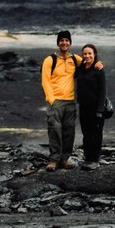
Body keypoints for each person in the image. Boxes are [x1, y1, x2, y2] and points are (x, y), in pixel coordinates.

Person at [41, 30, 80, 169]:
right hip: (55, 101)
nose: (64, 43)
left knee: (69, 131)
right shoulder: (50, 60)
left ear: (70, 43)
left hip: (70, 101)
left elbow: (89, 64)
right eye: (62, 40)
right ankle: (53, 160)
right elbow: (45, 81)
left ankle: (65, 159)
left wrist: (98, 63)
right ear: (58, 43)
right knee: (54, 130)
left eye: (67, 40)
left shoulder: (75, 59)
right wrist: (51, 100)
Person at [74, 43, 108, 169]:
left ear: (95, 55)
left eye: (90, 53)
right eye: (85, 54)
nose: (87, 56)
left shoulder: (98, 69)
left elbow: (103, 91)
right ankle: (87, 158)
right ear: (82, 55)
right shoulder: (81, 68)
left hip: (96, 108)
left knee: (96, 134)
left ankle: (95, 160)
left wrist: (100, 111)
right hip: (83, 107)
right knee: (86, 134)